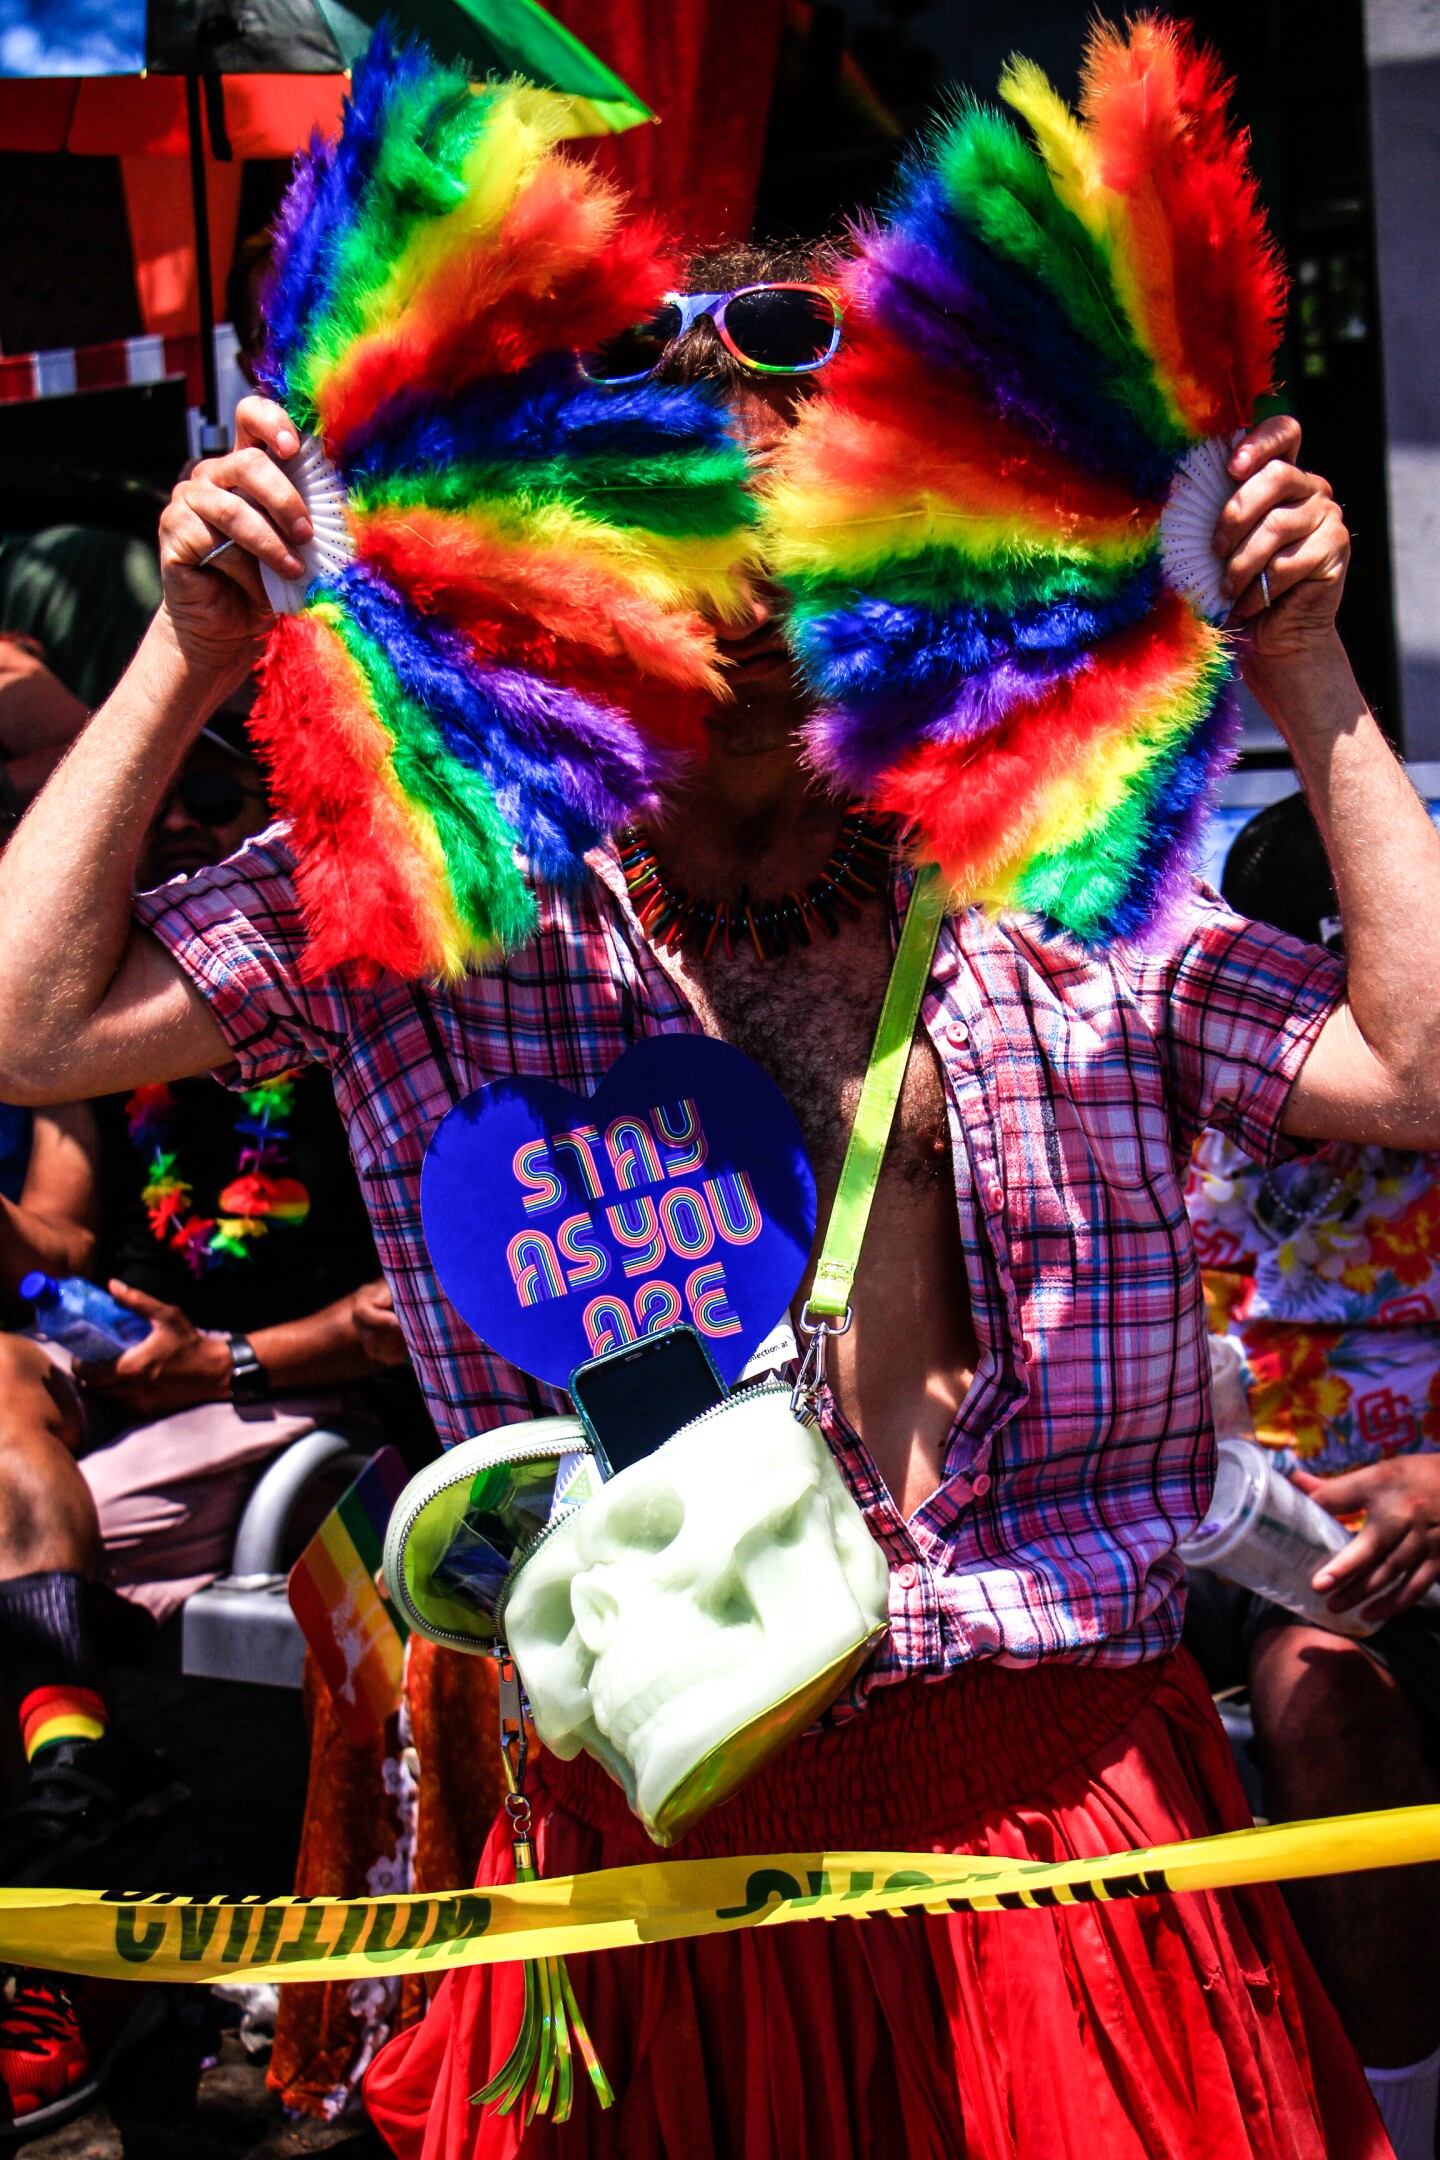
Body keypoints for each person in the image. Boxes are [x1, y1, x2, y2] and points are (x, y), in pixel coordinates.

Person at [0, 241, 1432, 2159]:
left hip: (1062, 1826)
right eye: (666, 507)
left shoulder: (1070, 880)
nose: (742, 565)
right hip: (647, 1854)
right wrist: (193, 639)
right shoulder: (429, 901)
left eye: (802, 494)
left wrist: (1304, 658)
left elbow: (1413, 1068)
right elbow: (34, 1025)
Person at [0, 712, 425, 2136]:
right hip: (113, 1379)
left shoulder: (349, 992)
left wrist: (225, 1358)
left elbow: (397, 1307)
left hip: (280, 1405)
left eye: (215, 797)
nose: (179, 829)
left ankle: (76, 1965)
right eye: (155, 808)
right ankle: (69, 1783)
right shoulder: (113, 1021)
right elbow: (48, 1234)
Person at [1184, 789, 1440, 2160]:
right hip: (1238, 1546)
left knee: (1324, 1690)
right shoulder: (1178, 1097)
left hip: (1415, 1546)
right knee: (1309, 1682)